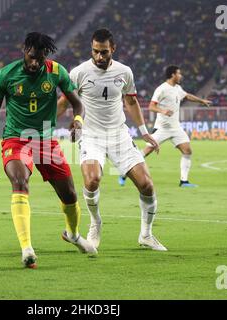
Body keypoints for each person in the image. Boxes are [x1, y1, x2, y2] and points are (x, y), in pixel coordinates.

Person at [0, 32, 97, 269]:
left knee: (70, 196)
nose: (36, 63)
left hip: (46, 140)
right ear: (24, 50)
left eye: (40, 58)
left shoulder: (56, 72)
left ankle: (73, 234)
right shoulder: (6, 75)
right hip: (16, 139)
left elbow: (78, 103)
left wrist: (78, 121)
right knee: (20, 181)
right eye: (32, 57)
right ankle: (27, 248)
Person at [57, 29, 166, 251]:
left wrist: (144, 132)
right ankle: (95, 224)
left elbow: (132, 102)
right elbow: (64, 102)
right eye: (95, 52)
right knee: (92, 180)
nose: (99, 57)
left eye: (104, 52)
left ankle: (146, 235)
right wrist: (45, 124)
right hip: (91, 136)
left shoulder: (124, 72)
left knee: (146, 185)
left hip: (119, 135)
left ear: (112, 49)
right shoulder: (79, 72)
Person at [119, 65, 212, 188]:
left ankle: (184, 181)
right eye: (179, 73)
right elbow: (151, 106)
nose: (181, 76)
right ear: (173, 75)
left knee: (187, 151)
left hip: (175, 128)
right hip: (162, 128)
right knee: (146, 151)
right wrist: (163, 111)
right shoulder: (161, 89)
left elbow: (187, 95)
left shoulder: (177, 88)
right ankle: (125, 172)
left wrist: (202, 101)